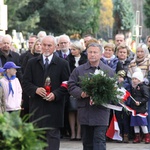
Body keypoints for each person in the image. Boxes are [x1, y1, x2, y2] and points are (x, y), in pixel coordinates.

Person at [22, 35, 70, 150]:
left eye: (49, 45)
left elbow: (67, 84)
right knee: (38, 140)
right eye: (44, 45)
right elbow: (25, 82)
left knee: (52, 140)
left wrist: (56, 94)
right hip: (37, 108)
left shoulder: (62, 63)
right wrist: (35, 90)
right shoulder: (32, 62)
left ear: (55, 47)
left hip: (54, 109)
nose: (46, 48)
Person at [68, 43, 114, 150]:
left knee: (99, 141)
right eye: (90, 52)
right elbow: (71, 85)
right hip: (85, 111)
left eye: (95, 52)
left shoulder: (108, 71)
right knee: (87, 142)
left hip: (101, 112)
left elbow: (114, 90)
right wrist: (81, 93)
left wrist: (102, 95)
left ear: (101, 54)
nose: (92, 54)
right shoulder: (79, 70)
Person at [66, 41, 87, 141]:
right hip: (71, 86)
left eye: (74, 49)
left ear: (79, 50)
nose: (72, 51)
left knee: (79, 110)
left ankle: (79, 133)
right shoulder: (68, 59)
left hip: (83, 87)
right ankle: (72, 133)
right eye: (71, 49)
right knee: (71, 109)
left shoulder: (85, 59)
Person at [130, 69, 150, 144]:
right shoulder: (133, 87)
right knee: (135, 123)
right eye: (133, 79)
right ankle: (137, 136)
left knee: (142, 123)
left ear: (139, 79)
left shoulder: (143, 87)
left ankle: (147, 136)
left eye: (135, 79)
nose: (134, 80)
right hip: (134, 108)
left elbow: (146, 97)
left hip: (141, 108)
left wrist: (140, 102)